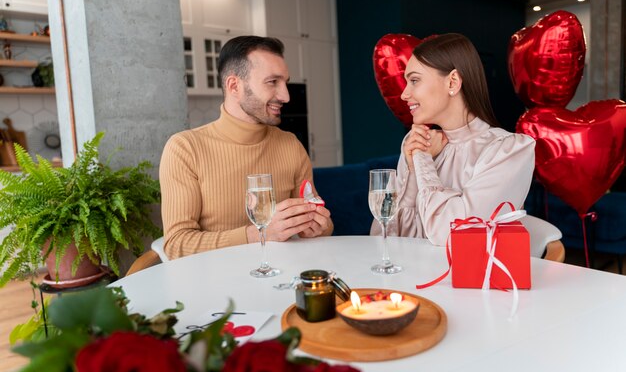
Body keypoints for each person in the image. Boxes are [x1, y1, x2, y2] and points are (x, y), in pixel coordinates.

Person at [160, 36, 333, 259]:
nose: (286, 96)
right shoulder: (184, 149)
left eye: (285, 83)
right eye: (272, 82)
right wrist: (258, 234)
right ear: (234, 86)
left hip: (282, 279)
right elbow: (176, 245)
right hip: (215, 285)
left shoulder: (291, 144)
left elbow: (320, 223)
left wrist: (320, 226)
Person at [371, 33, 535, 246]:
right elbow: (389, 241)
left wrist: (423, 161)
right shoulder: (419, 143)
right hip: (414, 277)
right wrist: (413, 170)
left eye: (414, 80)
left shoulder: (509, 152)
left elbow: (453, 236)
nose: (404, 94)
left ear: (453, 82)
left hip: (472, 279)